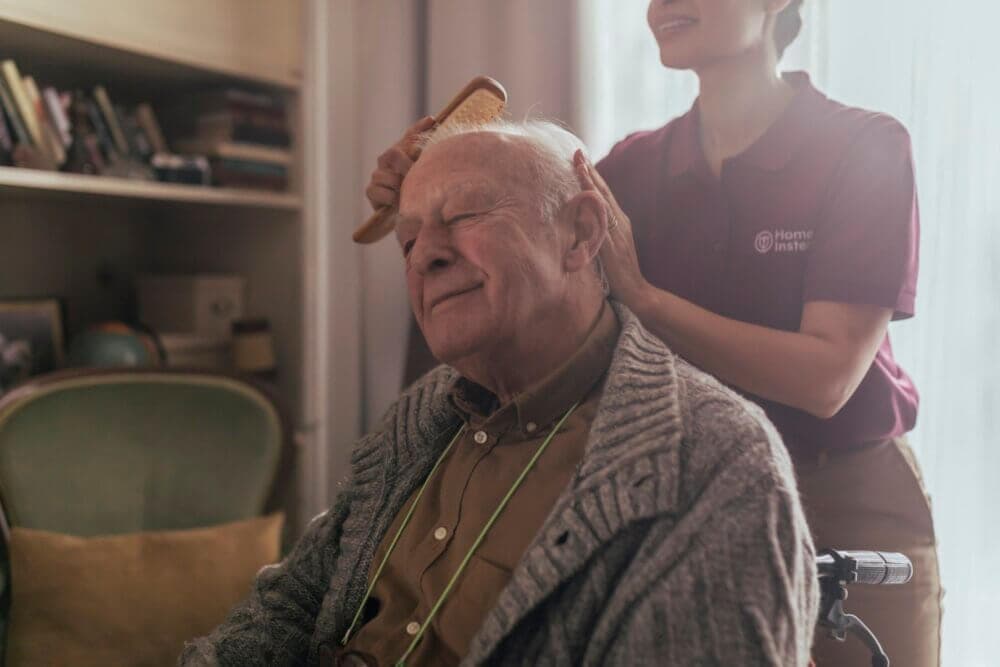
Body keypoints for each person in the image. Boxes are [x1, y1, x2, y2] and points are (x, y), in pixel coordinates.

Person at [182, 120, 818, 666]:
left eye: (464, 216)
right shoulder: (421, 415)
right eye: (407, 240)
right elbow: (293, 602)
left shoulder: (715, 461)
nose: (424, 255)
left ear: (580, 235)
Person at [566, 1, 941, 665]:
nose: (663, 6)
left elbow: (825, 377)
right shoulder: (634, 167)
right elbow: (527, 232)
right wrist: (428, 184)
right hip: (695, 494)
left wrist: (649, 303)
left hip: (845, 495)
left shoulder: (866, 147)